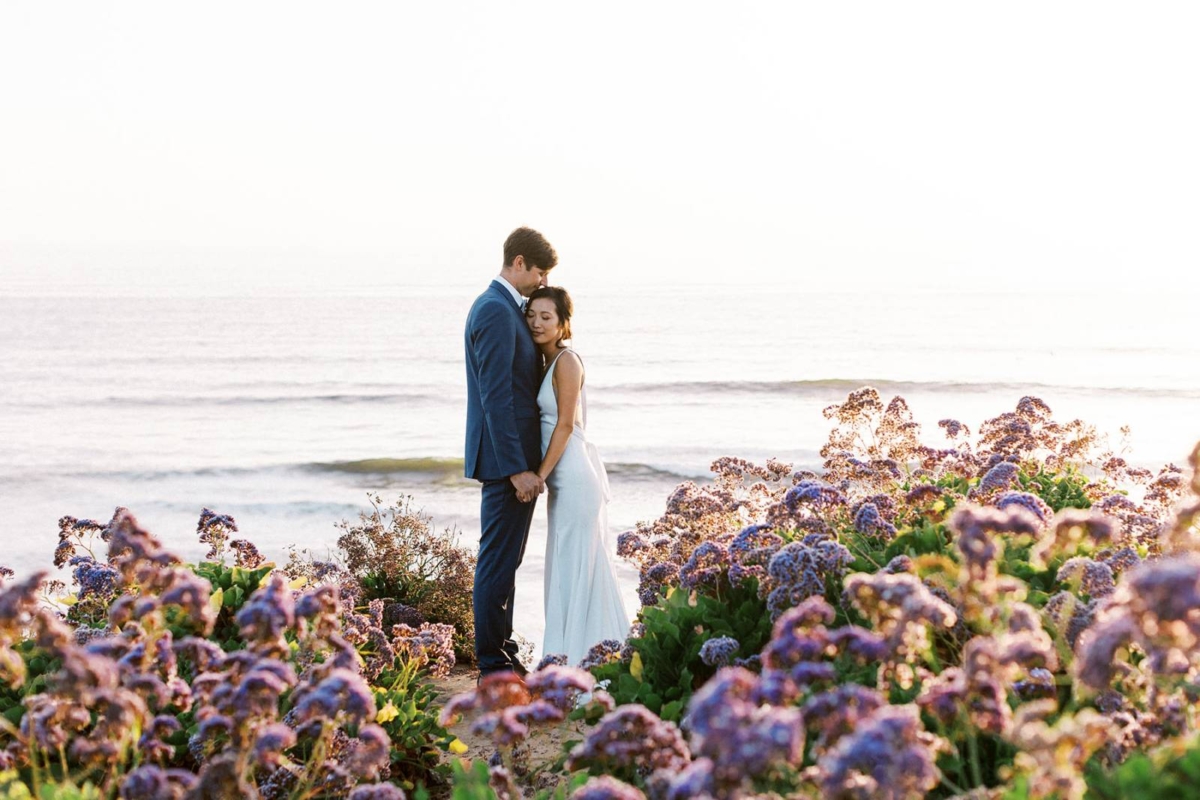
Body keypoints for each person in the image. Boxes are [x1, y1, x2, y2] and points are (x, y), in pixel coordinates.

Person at [464, 226, 557, 677]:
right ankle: (491, 665)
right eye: (539, 273)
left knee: (505, 560)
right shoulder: (496, 311)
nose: (542, 282)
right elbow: (496, 397)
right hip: (507, 464)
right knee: (497, 561)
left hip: (510, 461)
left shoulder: (502, 308)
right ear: (518, 262)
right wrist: (518, 469)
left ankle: (503, 655)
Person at [525, 286, 629, 665]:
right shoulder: (544, 361)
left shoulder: (567, 361)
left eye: (546, 317)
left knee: (579, 569)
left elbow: (565, 425)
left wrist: (539, 476)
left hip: (574, 478)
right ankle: (571, 659)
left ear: (563, 324)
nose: (536, 323)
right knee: (568, 568)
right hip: (563, 482)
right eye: (531, 315)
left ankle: (579, 663)